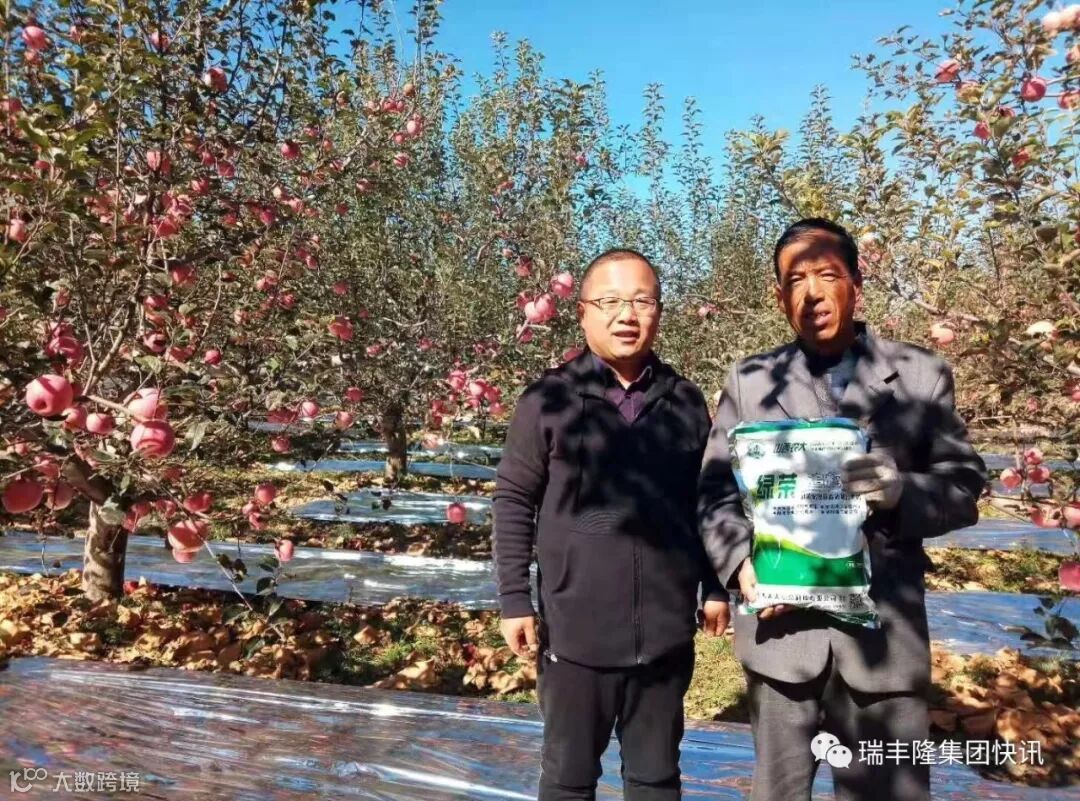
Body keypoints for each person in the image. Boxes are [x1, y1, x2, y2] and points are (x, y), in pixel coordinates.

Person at [698, 218, 986, 801]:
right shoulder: (751, 381)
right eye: (795, 280)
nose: (812, 293)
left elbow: (963, 485)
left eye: (827, 275)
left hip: (883, 640)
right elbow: (715, 489)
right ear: (779, 296)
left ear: (856, 282)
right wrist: (738, 564)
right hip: (781, 636)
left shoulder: (920, 376)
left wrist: (901, 490)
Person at [493, 248, 729, 801]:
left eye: (642, 301)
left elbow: (706, 499)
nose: (627, 315)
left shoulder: (684, 401)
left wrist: (716, 585)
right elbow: (514, 499)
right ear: (583, 312)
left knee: (655, 778)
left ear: (658, 312)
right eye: (611, 301)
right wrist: (514, 599)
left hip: (666, 638)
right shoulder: (548, 401)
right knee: (569, 780)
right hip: (576, 639)